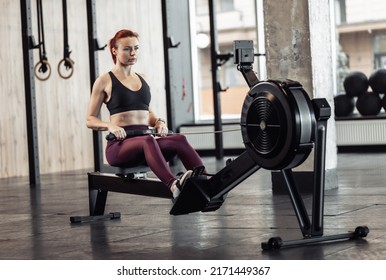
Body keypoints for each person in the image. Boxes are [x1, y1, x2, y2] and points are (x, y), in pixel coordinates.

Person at [86, 29, 206, 199]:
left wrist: (158, 122)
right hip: (120, 148)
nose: (133, 53)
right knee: (148, 140)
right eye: (127, 49)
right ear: (115, 50)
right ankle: (173, 186)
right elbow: (89, 119)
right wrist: (110, 125)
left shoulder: (142, 78)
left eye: (136, 48)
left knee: (179, 139)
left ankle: (206, 183)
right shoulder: (105, 80)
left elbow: (146, 113)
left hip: (145, 146)